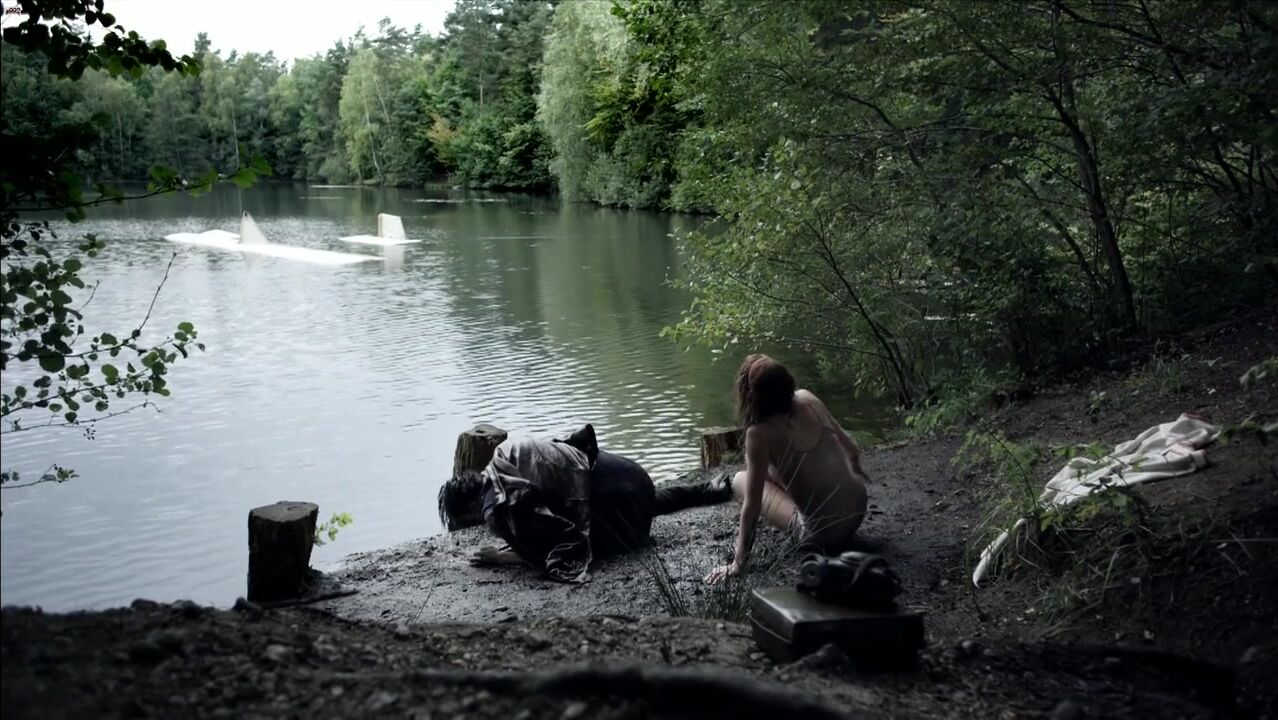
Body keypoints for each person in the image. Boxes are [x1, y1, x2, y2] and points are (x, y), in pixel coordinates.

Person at [439, 424, 731, 582]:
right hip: (632, 475)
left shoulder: (494, 508)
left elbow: (548, 550)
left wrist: (500, 557)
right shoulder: (505, 452)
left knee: (587, 530)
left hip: (629, 518)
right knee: (629, 501)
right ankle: (708, 490)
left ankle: (703, 494)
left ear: (469, 510)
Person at [705, 354, 869, 584]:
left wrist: (738, 563)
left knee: (741, 479)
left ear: (753, 395)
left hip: (822, 534)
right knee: (774, 471)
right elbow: (850, 447)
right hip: (858, 510)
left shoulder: (759, 433)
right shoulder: (808, 399)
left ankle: (806, 518)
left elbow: (752, 505)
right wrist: (855, 472)